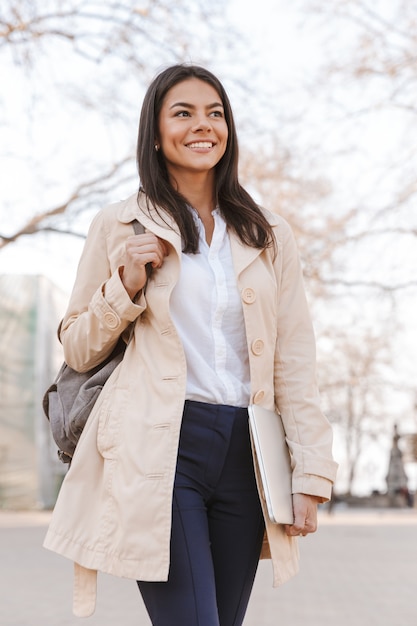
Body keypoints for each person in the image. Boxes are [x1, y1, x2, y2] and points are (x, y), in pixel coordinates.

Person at [44, 64, 338, 625]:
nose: (203, 125)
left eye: (216, 113)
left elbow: (294, 360)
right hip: (160, 447)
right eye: (183, 113)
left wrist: (310, 473)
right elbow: (77, 349)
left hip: (247, 455)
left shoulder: (267, 233)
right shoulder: (120, 224)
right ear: (155, 133)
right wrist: (124, 285)